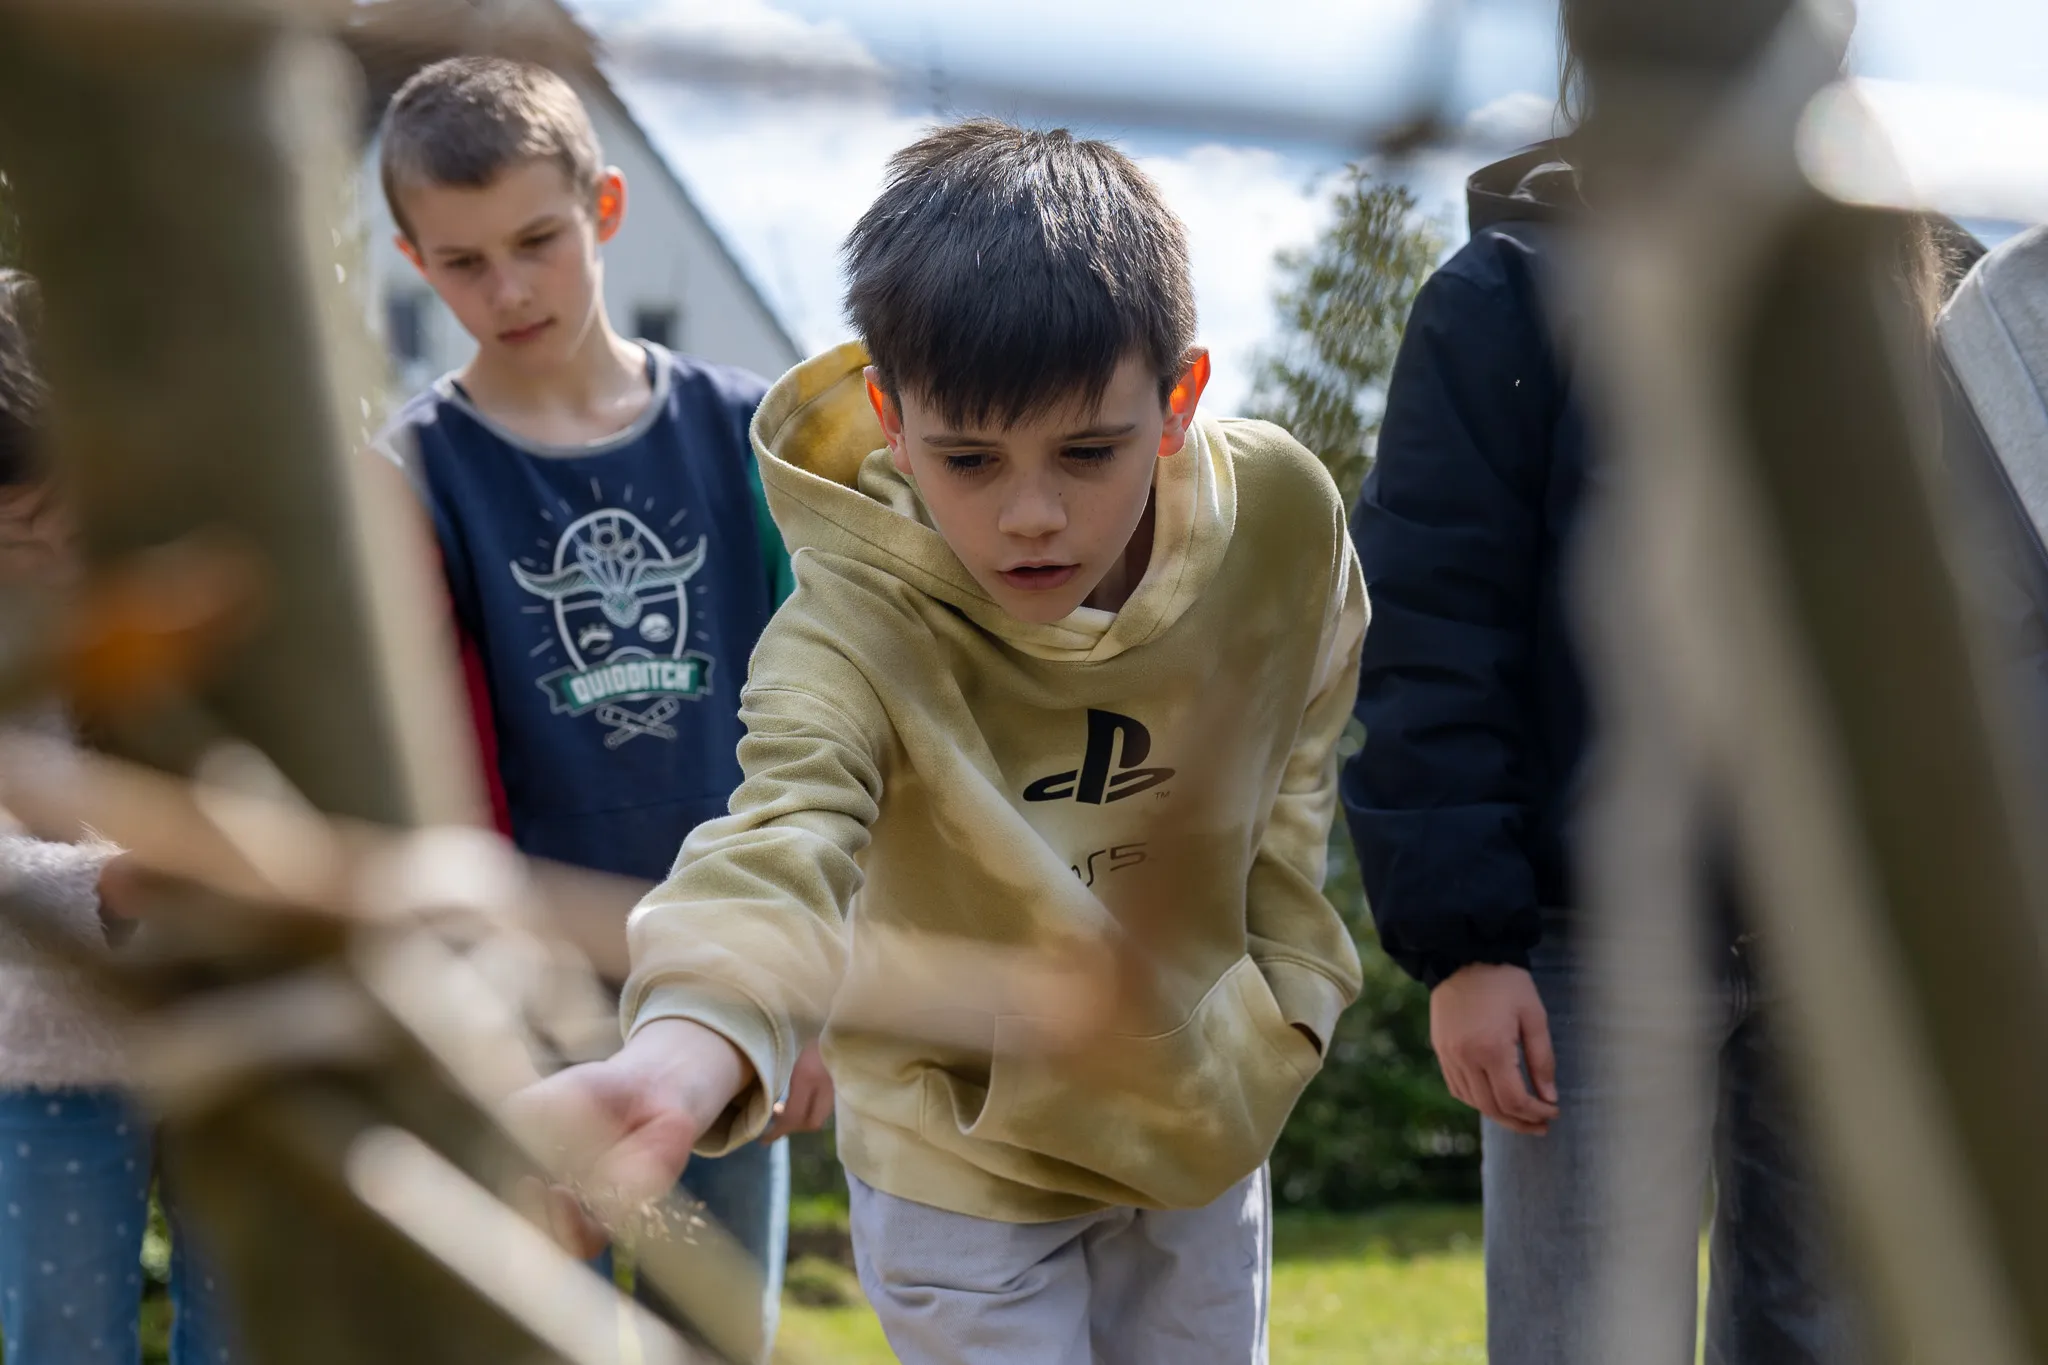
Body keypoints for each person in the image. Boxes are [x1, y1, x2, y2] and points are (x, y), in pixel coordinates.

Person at [514, 118, 1366, 1365]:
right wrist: (679, 1057)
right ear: (891, 420)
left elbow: (1310, 707)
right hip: (953, 1155)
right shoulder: (847, 627)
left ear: (1177, 397)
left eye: (1088, 452)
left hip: (1193, 1112)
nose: (1031, 515)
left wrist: (1282, 985)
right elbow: (776, 842)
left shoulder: (1283, 519)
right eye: (969, 460)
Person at [1338, 115, 1880, 1365]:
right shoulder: (1504, 300)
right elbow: (1426, 627)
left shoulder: (1886, 292)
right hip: (1583, 953)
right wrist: (1466, 945)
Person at [369, 56, 815, 1344]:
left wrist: (804, 998)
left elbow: (814, 727)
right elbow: (416, 758)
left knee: (717, 1327)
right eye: (460, 263)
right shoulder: (407, 471)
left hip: (726, 987)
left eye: (536, 242)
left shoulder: (748, 435)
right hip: (523, 1012)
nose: (505, 291)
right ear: (412, 256)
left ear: (604, 209)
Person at [0, 269, 241, 1364]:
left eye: (70, 531)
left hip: (232, 1039)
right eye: (14, 551)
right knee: (57, 1340)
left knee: (246, 1330)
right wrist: (107, 882)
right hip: (44, 1059)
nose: (54, 573)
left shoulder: (195, 577)